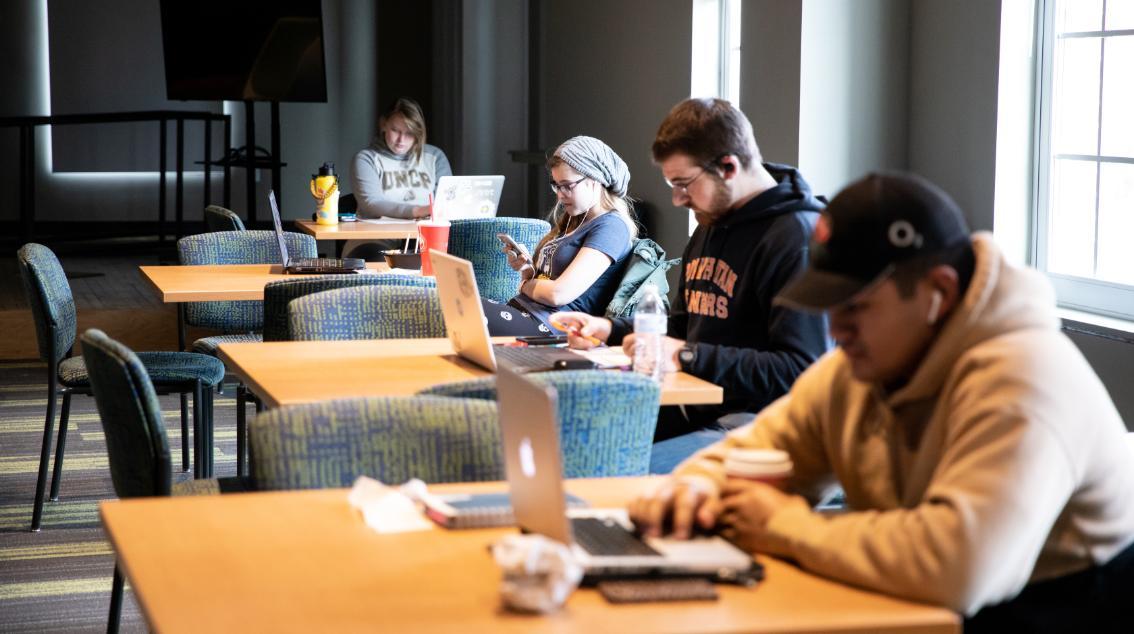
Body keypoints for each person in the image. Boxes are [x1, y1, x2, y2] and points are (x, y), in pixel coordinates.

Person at [628, 172, 1134, 632]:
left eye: (857, 307)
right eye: (829, 305)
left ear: (938, 291)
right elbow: (762, 446)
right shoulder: (859, 369)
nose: (835, 328)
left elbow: (957, 568)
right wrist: (693, 487)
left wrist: (782, 525)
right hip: (936, 606)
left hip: (1065, 607)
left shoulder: (1026, 379)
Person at [551, 98, 831, 470]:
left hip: (765, 426)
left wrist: (686, 355)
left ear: (729, 167)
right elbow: (686, 326)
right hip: (694, 408)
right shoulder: (710, 224)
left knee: (609, 471)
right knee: (559, 449)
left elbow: (801, 370)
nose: (677, 198)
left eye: (683, 183)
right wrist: (609, 330)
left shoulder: (797, 237)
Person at [483, 136, 636, 336]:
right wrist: (527, 272)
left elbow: (558, 294)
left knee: (444, 303)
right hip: (526, 314)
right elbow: (549, 284)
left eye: (567, 185)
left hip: (552, 327)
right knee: (449, 302)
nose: (560, 194)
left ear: (595, 181)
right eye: (556, 185)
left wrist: (524, 285)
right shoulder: (576, 220)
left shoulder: (611, 227)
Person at [346, 97, 452, 259]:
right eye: (395, 130)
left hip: (423, 240)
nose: (401, 140)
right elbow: (371, 202)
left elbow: (446, 200)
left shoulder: (435, 156)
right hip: (375, 240)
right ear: (383, 125)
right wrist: (416, 211)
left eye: (409, 133)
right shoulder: (366, 158)